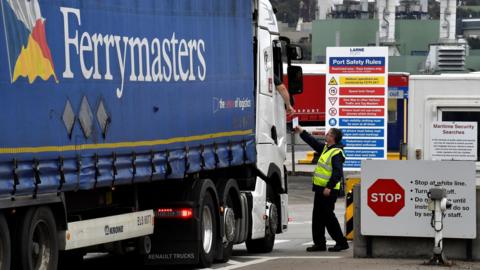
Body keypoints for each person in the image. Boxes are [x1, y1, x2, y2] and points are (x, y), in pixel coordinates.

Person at [294, 125, 349, 252]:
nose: (326, 135)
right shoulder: (326, 148)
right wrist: (302, 131)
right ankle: (319, 243)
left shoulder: (336, 153)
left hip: (328, 190)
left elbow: (337, 172)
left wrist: (329, 187)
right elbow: (313, 142)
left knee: (328, 217)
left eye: (328, 134)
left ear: (333, 137)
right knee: (317, 217)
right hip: (320, 189)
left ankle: (341, 242)